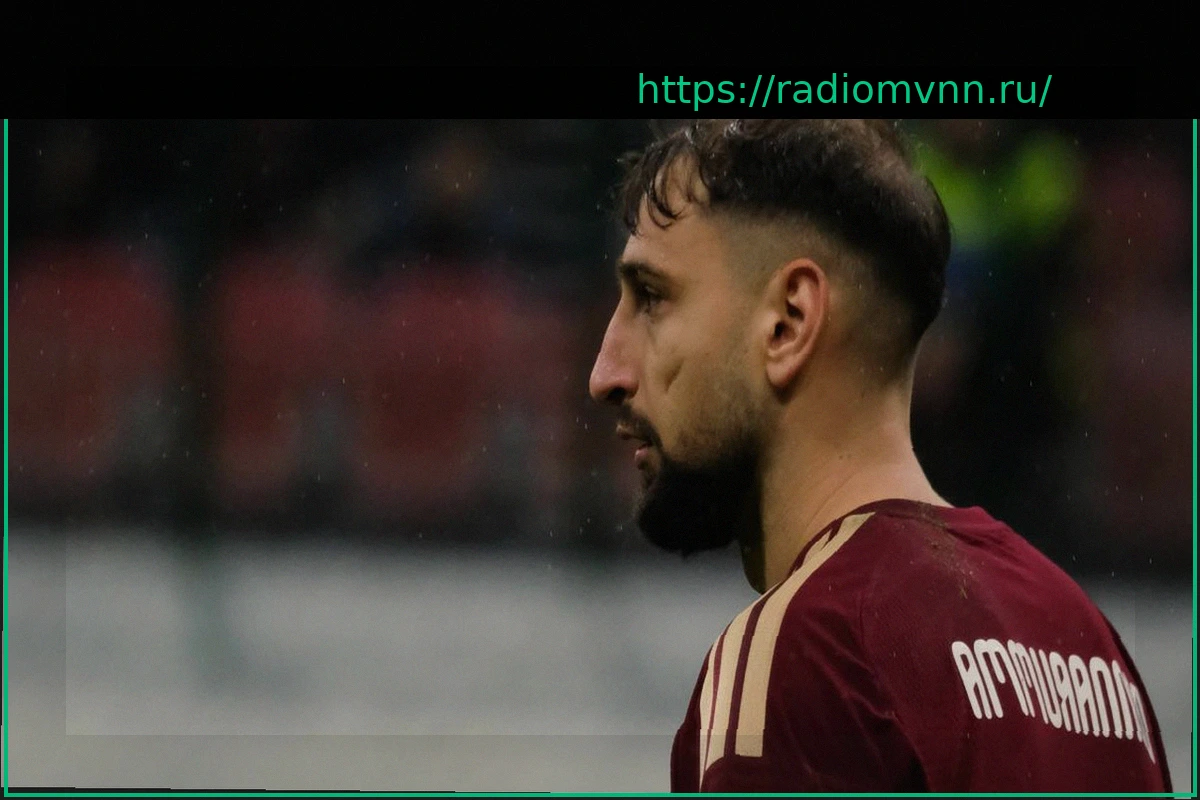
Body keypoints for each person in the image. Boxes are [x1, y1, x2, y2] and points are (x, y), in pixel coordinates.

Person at [587, 119, 1172, 793]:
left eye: (652, 298)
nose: (605, 374)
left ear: (788, 322)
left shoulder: (807, 653)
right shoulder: (1086, 645)